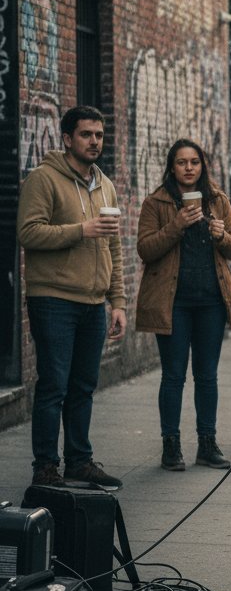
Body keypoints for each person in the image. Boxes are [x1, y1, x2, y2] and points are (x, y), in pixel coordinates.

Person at [16, 106, 127, 490]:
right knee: (54, 386)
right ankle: (45, 467)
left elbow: (113, 247)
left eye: (99, 134)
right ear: (67, 139)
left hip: (94, 303)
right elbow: (29, 234)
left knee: (83, 387)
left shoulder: (105, 185)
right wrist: (82, 229)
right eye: (86, 134)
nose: (94, 141)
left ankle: (79, 461)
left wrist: (119, 302)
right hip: (54, 299)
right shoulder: (43, 180)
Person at [136, 139, 231, 471]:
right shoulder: (156, 202)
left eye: (194, 162)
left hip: (210, 301)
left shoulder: (217, 200)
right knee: (173, 376)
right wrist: (177, 225)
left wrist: (220, 235)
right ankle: (171, 446)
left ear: (202, 166)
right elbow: (145, 249)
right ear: (172, 167)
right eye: (181, 162)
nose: (188, 168)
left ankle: (207, 443)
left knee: (207, 375)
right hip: (174, 303)